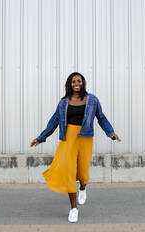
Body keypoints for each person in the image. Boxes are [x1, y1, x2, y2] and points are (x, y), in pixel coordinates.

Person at [30, 72, 121, 223]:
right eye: (73, 81)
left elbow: (102, 118)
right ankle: (73, 209)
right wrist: (40, 138)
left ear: (83, 83)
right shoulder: (63, 102)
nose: (76, 83)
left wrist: (111, 133)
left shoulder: (92, 100)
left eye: (78, 81)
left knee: (83, 172)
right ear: (69, 84)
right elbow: (53, 121)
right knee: (69, 172)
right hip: (68, 140)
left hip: (85, 139)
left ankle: (83, 187)